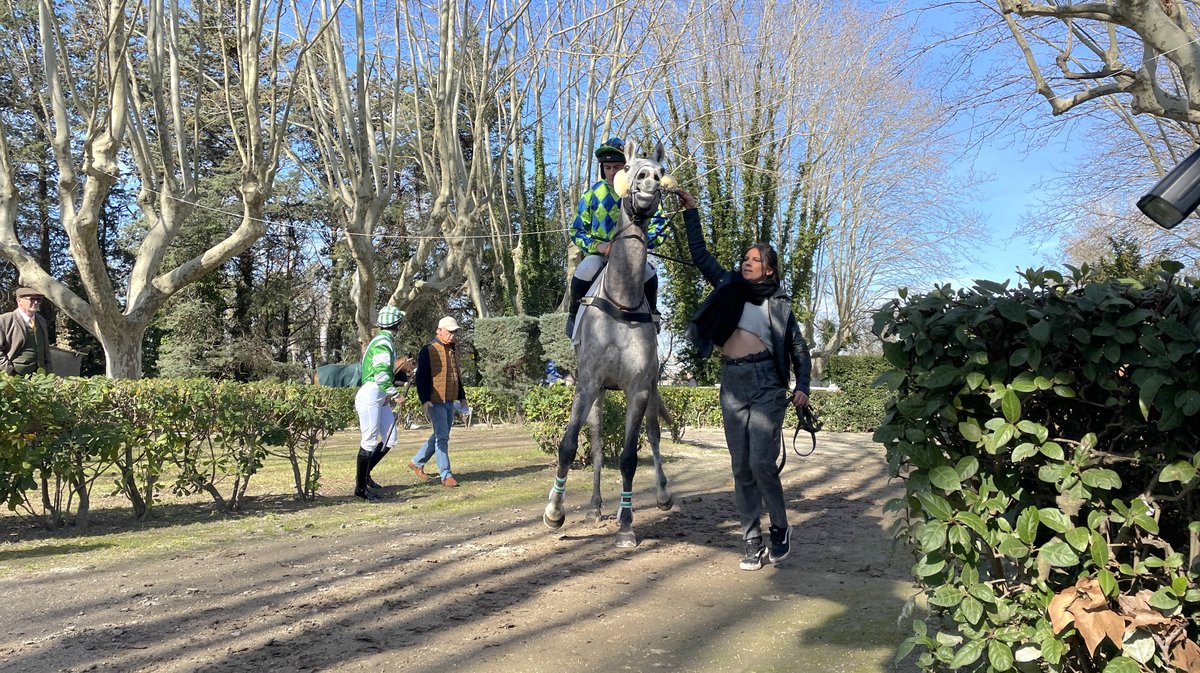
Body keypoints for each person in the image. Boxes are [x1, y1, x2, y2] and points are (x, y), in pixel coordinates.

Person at [679, 188, 812, 572]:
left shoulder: (780, 306)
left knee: (760, 462)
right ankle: (751, 539)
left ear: (769, 269)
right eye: (745, 259)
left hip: (767, 384)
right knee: (740, 466)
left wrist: (801, 386)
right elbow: (700, 255)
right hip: (732, 383)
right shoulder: (728, 286)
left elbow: (799, 352)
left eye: (755, 260)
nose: (747, 263)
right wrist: (692, 212)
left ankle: (780, 528)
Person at [566, 136, 670, 337]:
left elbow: (660, 225)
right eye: (608, 168)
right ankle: (572, 315)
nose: (612, 173)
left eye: (617, 167)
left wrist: (640, 243)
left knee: (650, 273)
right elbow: (576, 231)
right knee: (585, 269)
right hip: (601, 256)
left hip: (632, 257)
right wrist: (599, 246)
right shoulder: (593, 194)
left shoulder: (639, 194)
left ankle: (653, 314)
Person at [353, 305, 407, 502]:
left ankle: (365, 475)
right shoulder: (384, 342)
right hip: (371, 395)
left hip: (378, 396)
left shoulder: (383, 340)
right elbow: (382, 374)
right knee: (368, 441)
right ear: (397, 324)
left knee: (390, 438)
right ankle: (360, 489)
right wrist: (395, 394)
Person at [410, 316, 469, 488]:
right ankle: (446, 475)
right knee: (442, 438)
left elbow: (456, 376)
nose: (453, 335)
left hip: (450, 400)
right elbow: (421, 378)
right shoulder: (428, 349)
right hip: (435, 401)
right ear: (439, 330)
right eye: (450, 331)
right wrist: (425, 400)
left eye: (455, 332)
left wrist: (462, 397)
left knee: (440, 435)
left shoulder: (452, 349)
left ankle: (417, 462)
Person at [1, 287, 50, 376]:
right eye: (32, 299)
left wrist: (48, 373)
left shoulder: (41, 321)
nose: (36, 302)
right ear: (18, 301)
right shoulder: (5, 320)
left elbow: (46, 351)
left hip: (40, 378)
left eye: (38, 300)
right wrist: (8, 372)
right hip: (14, 378)